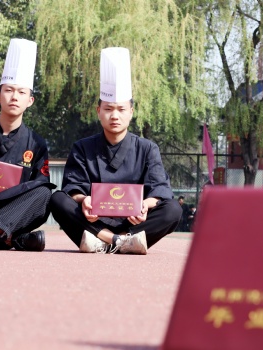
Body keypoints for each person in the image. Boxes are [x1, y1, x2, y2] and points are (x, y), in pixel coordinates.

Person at [50, 47, 182, 254]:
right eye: (108, 109)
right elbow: (72, 188)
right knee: (57, 200)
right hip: (93, 221)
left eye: (121, 109)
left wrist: (145, 205)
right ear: (98, 112)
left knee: (173, 210)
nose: (115, 116)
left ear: (131, 112)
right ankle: (117, 241)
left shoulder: (147, 148)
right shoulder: (82, 147)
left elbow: (160, 190)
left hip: (134, 224)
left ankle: (109, 242)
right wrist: (84, 200)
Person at [0, 38, 56, 251]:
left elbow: (40, 185)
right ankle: (11, 239)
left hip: (12, 212)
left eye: (22, 92)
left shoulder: (36, 143)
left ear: (30, 100)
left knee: (45, 194)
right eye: (9, 90)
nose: (14, 97)